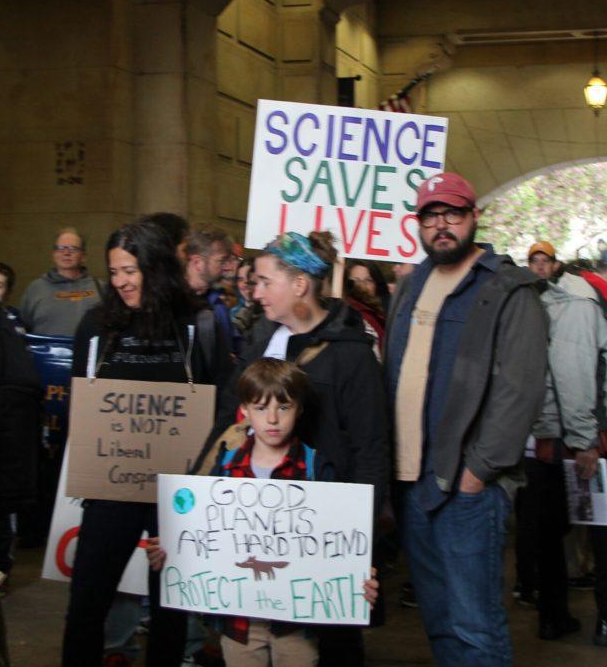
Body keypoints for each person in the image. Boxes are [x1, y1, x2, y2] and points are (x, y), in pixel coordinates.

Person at [385, 172, 548, 666]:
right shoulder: (410, 288)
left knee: (475, 626)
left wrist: (479, 473)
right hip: (412, 484)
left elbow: (520, 391)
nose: (441, 225)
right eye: (431, 216)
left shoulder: (508, 290)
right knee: (438, 621)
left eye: (452, 214)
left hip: (465, 490)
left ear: (474, 217)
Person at [209, 230, 389, 666]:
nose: (255, 291)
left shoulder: (353, 356)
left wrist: (359, 544)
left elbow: (371, 451)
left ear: (300, 285)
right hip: (255, 522)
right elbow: (228, 424)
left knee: (328, 648)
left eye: (266, 281)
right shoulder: (261, 341)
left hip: (323, 532)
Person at [61, 219, 232, 667]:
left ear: (155, 269)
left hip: (175, 496)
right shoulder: (95, 326)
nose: (120, 282)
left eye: (130, 271)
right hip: (109, 489)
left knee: (170, 609)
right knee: (86, 604)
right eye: (114, 271)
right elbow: (83, 400)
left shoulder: (197, 324)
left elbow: (219, 403)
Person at [151, 359, 379, 667]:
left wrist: (357, 576)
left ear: (299, 409)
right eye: (260, 408)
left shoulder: (317, 468)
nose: (272, 419)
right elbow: (201, 534)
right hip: (239, 622)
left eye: (283, 408)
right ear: (244, 410)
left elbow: (338, 544)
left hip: (297, 622)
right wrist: (171, 551)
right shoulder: (225, 468)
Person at [525, 260, 607, 646]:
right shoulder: (583, 307)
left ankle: (554, 618)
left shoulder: (570, 300)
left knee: (554, 532)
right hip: (582, 445)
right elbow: (573, 376)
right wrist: (585, 442)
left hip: (556, 441)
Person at [19, 227, 103, 336]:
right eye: (61, 248)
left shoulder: (100, 288)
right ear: (54, 254)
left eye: (73, 248)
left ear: (83, 257)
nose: (66, 252)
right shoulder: (36, 289)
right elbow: (24, 328)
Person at [184, 225, 239, 354]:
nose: (227, 267)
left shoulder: (219, 304)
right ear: (198, 262)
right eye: (222, 261)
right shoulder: (173, 302)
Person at [344, 260, 387, 350]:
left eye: (368, 280)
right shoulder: (351, 315)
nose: (363, 285)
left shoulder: (377, 313)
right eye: (356, 281)